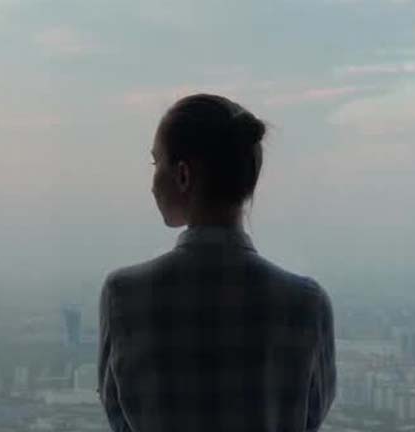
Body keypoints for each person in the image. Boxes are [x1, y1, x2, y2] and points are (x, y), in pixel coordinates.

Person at [97, 94, 336, 432]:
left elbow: (120, 417)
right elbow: (310, 418)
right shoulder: (307, 304)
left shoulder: (124, 296)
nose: (152, 185)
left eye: (156, 164)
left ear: (183, 175)